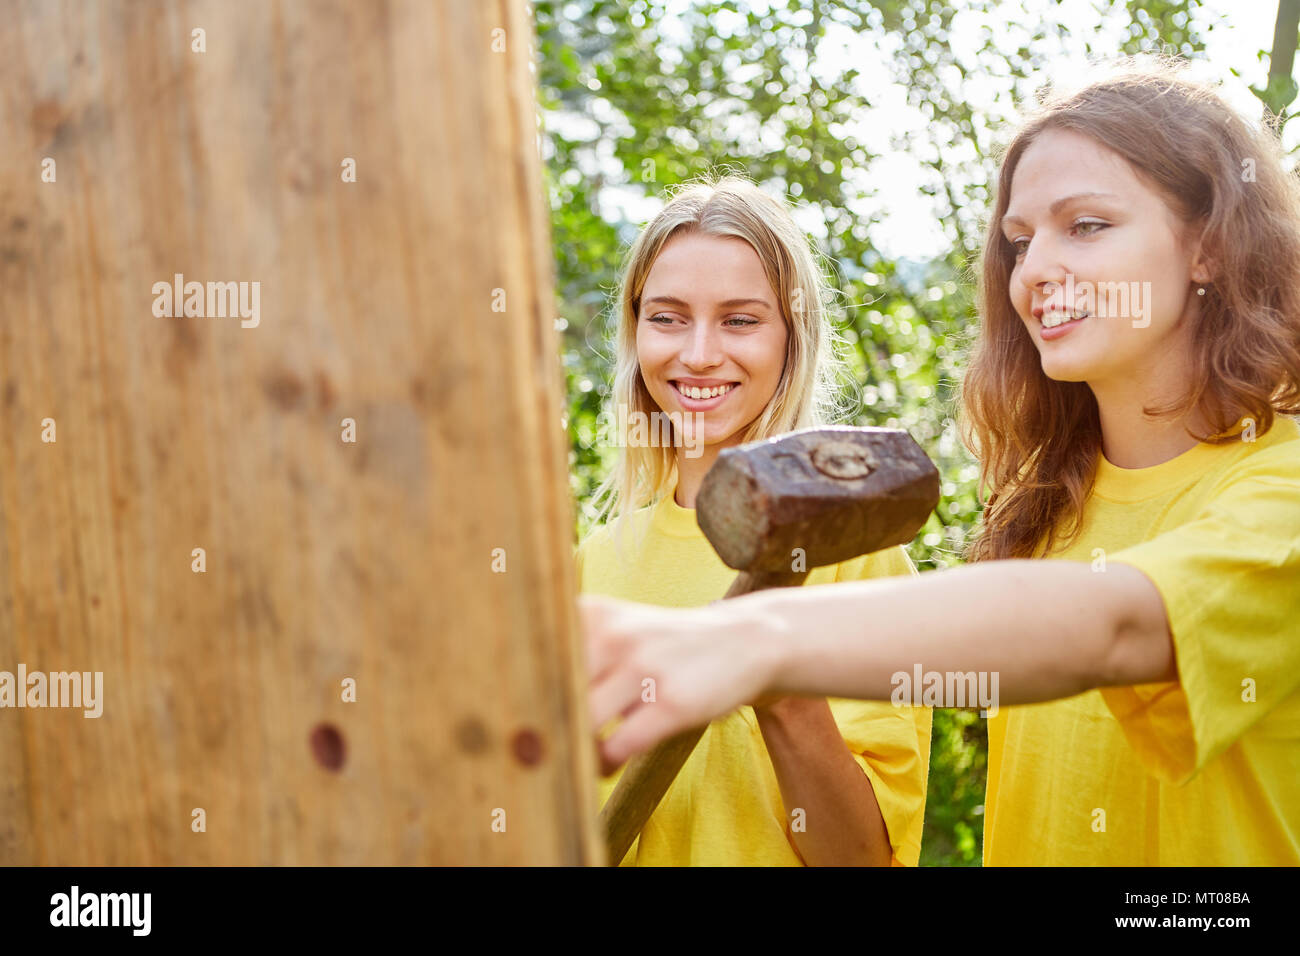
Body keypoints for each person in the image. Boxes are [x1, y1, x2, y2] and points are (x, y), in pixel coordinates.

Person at [582, 59, 1300, 865]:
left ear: (1210, 244)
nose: (1035, 272)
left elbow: (1118, 624)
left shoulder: (1284, 491)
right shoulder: (1044, 507)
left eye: (1087, 225)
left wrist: (754, 645)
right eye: (1019, 242)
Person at [576, 175, 931, 866]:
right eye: (668, 316)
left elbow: (862, 859)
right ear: (635, 329)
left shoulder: (858, 560)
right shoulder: (594, 565)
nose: (700, 353)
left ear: (790, 340)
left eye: (740, 320)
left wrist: (780, 691)